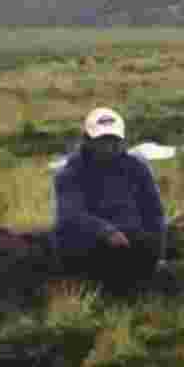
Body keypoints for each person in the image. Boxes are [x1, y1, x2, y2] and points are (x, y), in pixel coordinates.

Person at [53, 107, 165, 293]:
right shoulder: (70, 173)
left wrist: (158, 252)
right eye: (102, 140)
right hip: (90, 248)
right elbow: (70, 215)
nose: (109, 146)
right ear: (87, 140)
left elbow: (154, 214)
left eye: (114, 140)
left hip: (131, 243)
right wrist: (106, 231)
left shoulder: (137, 169)